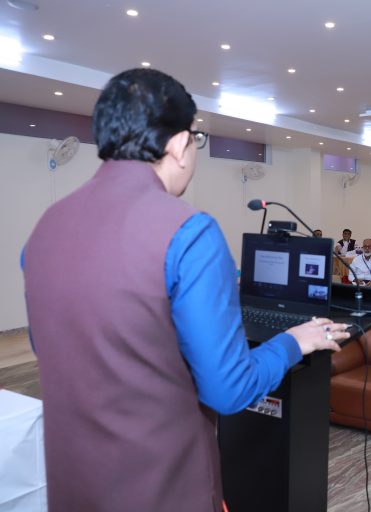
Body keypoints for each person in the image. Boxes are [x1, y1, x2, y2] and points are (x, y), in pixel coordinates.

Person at [20, 68, 349, 512]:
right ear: (178, 144)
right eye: (196, 139)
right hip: (163, 487)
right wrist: (293, 342)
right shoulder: (190, 232)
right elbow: (229, 390)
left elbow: (56, 347)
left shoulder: (45, 228)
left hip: (72, 484)